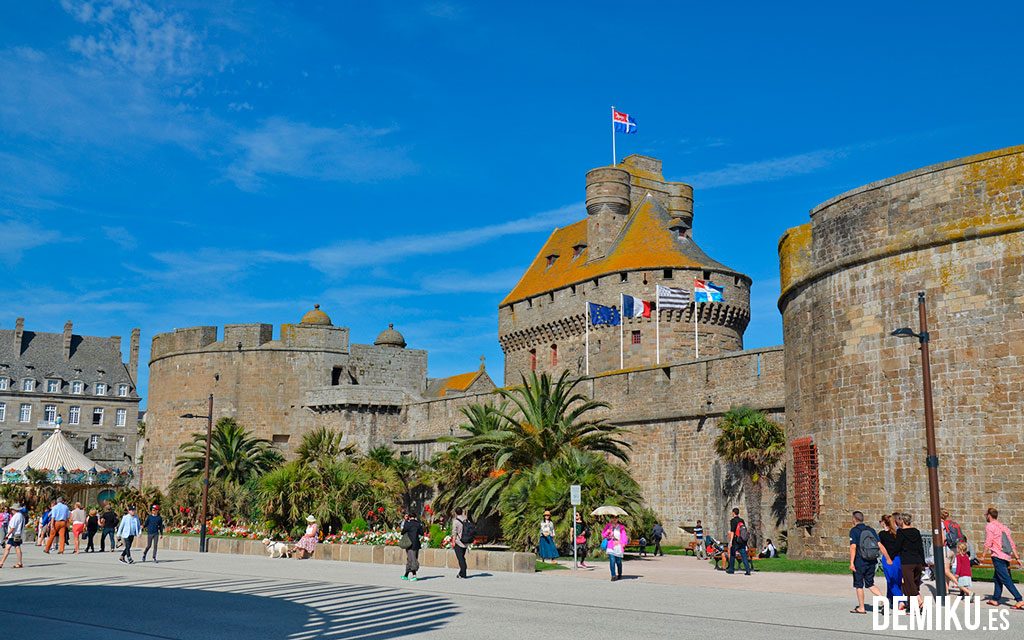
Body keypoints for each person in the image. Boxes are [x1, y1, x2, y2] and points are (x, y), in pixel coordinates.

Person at [983, 507, 1024, 609]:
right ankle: (995, 599)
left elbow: (988, 541)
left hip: (997, 556)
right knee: (997, 578)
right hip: (1006, 556)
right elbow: (1011, 543)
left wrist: (983, 555)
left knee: (1005, 579)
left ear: (989, 515)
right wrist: (1017, 558)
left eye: (985, 515)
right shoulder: (1003, 527)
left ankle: (1019, 599)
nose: (985, 517)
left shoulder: (990, 526)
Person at [848, 511, 885, 614]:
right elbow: (879, 544)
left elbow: (853, 547)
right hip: (871, 561)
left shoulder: (854, 531)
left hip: (860, 561)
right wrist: (887, 557)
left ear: (854, 519)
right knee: (870, 583)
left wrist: (851, 562)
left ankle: (861, 607)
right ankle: (883, 600)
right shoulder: (871, 529)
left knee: (859, 585)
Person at [889, 512, 926, 610]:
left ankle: (919, 600)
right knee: (913, 583)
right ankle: (910, 606)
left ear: (902, 521)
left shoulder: (901, 533)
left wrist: (890, 557)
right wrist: (923, 562)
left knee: (909, 583)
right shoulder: (916, 531)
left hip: (907, 561)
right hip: (917, 561)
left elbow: (897, 547)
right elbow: (920, 547)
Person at [878, 514, 903, 605]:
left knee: (891, 580)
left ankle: (901, 601)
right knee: (897, 579)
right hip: (898, 558)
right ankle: (890, 597)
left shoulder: (882, 534)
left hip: (888, 558)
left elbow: (881, 546)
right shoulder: (897, 533)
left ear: (884, 523)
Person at [601, 515, 628, 582]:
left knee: (618, 561)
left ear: (618, 518)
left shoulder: (621, 527)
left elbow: (624, 536)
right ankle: (613, 575)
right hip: (611, 545)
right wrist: (608, 531)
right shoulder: (608, 526)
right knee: (612, 560)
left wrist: (623, 543)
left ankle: (620, 573)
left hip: (618, 546)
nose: (614, 519)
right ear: (611, 519)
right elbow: (603, 535)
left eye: (616, 517)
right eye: (613, 517)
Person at [726, 507, 752, 575]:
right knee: (744, 556)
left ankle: (731, 569)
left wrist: (731, 541)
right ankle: (748, 570)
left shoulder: (733, 521)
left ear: (733, 513)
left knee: (732, 554)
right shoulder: (742, 520)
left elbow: (732, 532)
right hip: (742, 541)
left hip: (735, 541)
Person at [0, 504, 25, 568]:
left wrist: (7, 534)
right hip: (18, 534)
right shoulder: (21, 516)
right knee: (12, 547)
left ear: (14, 510)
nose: (11, 510)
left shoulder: (16, 516)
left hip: (14, 534)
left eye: (12, 509)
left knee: (14, 547)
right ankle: (1, 562)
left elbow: (13, 527)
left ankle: (2, 563)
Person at [401, 511, 424, 581]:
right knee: (411, 559)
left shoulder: (407, 524)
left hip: (409, 544)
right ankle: (406, 575)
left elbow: (402, 532)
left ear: (409, 517)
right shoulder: (418, 524)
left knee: (412, 559)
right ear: (415, 517)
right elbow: (422, 533)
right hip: (416, 544)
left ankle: (414, 576)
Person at [451, 507, 469, 579]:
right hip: (465, 541)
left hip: (458, 542)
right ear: (462, 512)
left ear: (455, 513)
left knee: (460, 558)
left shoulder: (456, 521)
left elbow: (454, 532)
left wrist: (453, 542)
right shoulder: (466, 520)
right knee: (462, 557)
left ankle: (463, 572)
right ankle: (461, 573)